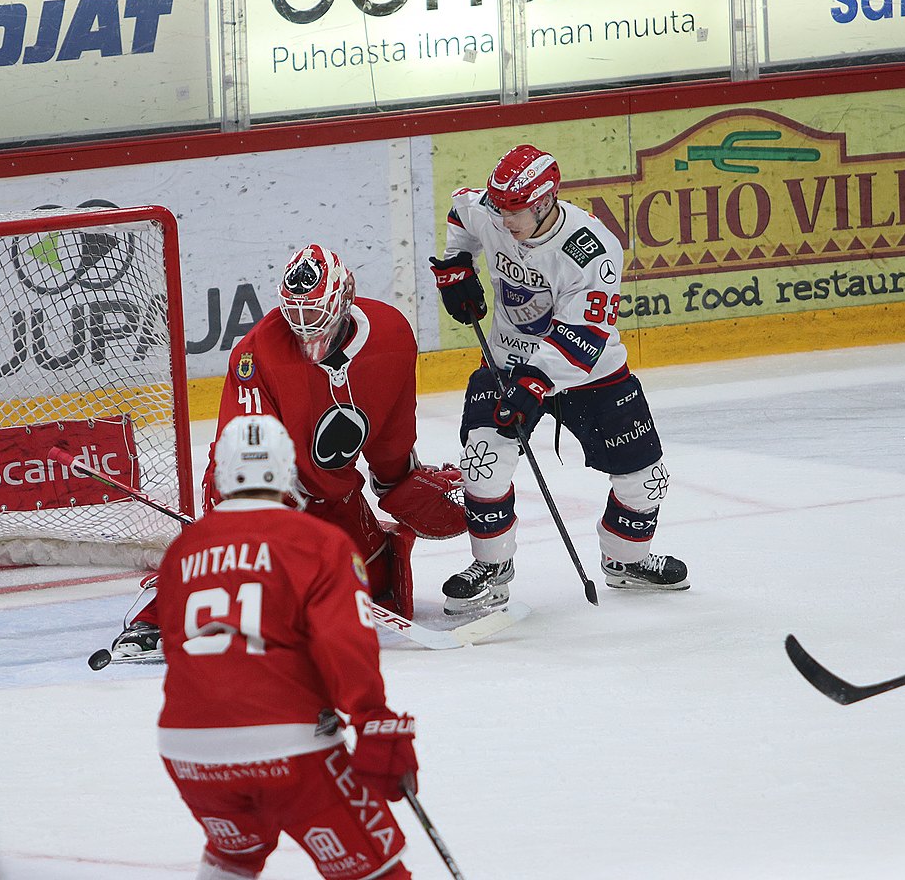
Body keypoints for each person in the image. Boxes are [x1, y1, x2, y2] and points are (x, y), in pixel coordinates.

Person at [103, 243, 465, 659]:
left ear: (344, 301)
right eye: (296, 317)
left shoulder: (391, 334)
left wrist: (397, 478)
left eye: (314, 316)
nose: (305, 329)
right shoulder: (258, 354)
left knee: (374, 589)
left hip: (334, 493)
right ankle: (158, 616)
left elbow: (392, 430)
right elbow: (243, 450)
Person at [427, 143, 689, 614]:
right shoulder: (491, 209)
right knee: (483, 461)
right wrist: (455, 267)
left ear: (545, 201)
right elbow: (461, 212)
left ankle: (626, 560)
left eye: (515, 213)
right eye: (499, 209)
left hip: (590, 372)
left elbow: (583, 336)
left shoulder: (592, 249)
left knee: (646, 480)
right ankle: (492, 567)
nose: (503, 221)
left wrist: (536, 384)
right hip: (507, 362)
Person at [156, 414, 418, 880]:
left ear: (220, 472)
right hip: (291, 749)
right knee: (374, 870)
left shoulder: (182, 550)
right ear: (287, 470)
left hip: (189, 750)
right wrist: (373, 719)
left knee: (234, 856)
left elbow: (178, 649)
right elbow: (345, 642)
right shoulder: (318, 542)